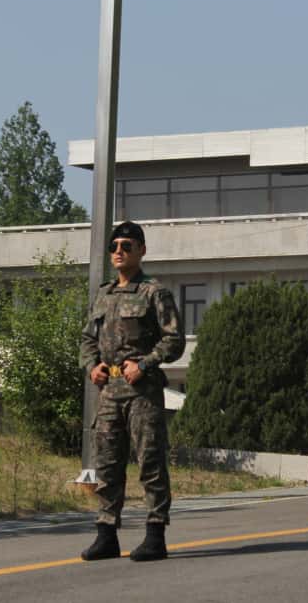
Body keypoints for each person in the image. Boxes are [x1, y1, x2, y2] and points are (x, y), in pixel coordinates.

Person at [79, 221, 186, 562]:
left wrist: (146, 363)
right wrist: (91, 365)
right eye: (115, 247)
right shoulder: (104, 293)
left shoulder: (154, 293)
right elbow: (87, 339)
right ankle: (106, 533)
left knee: (149, 462)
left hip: (142, 391)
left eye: (127, 245)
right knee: (107, 463)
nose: (119, 252)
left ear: (141, 250)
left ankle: (155, 534)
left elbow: (174, 340)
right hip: (109, 390)